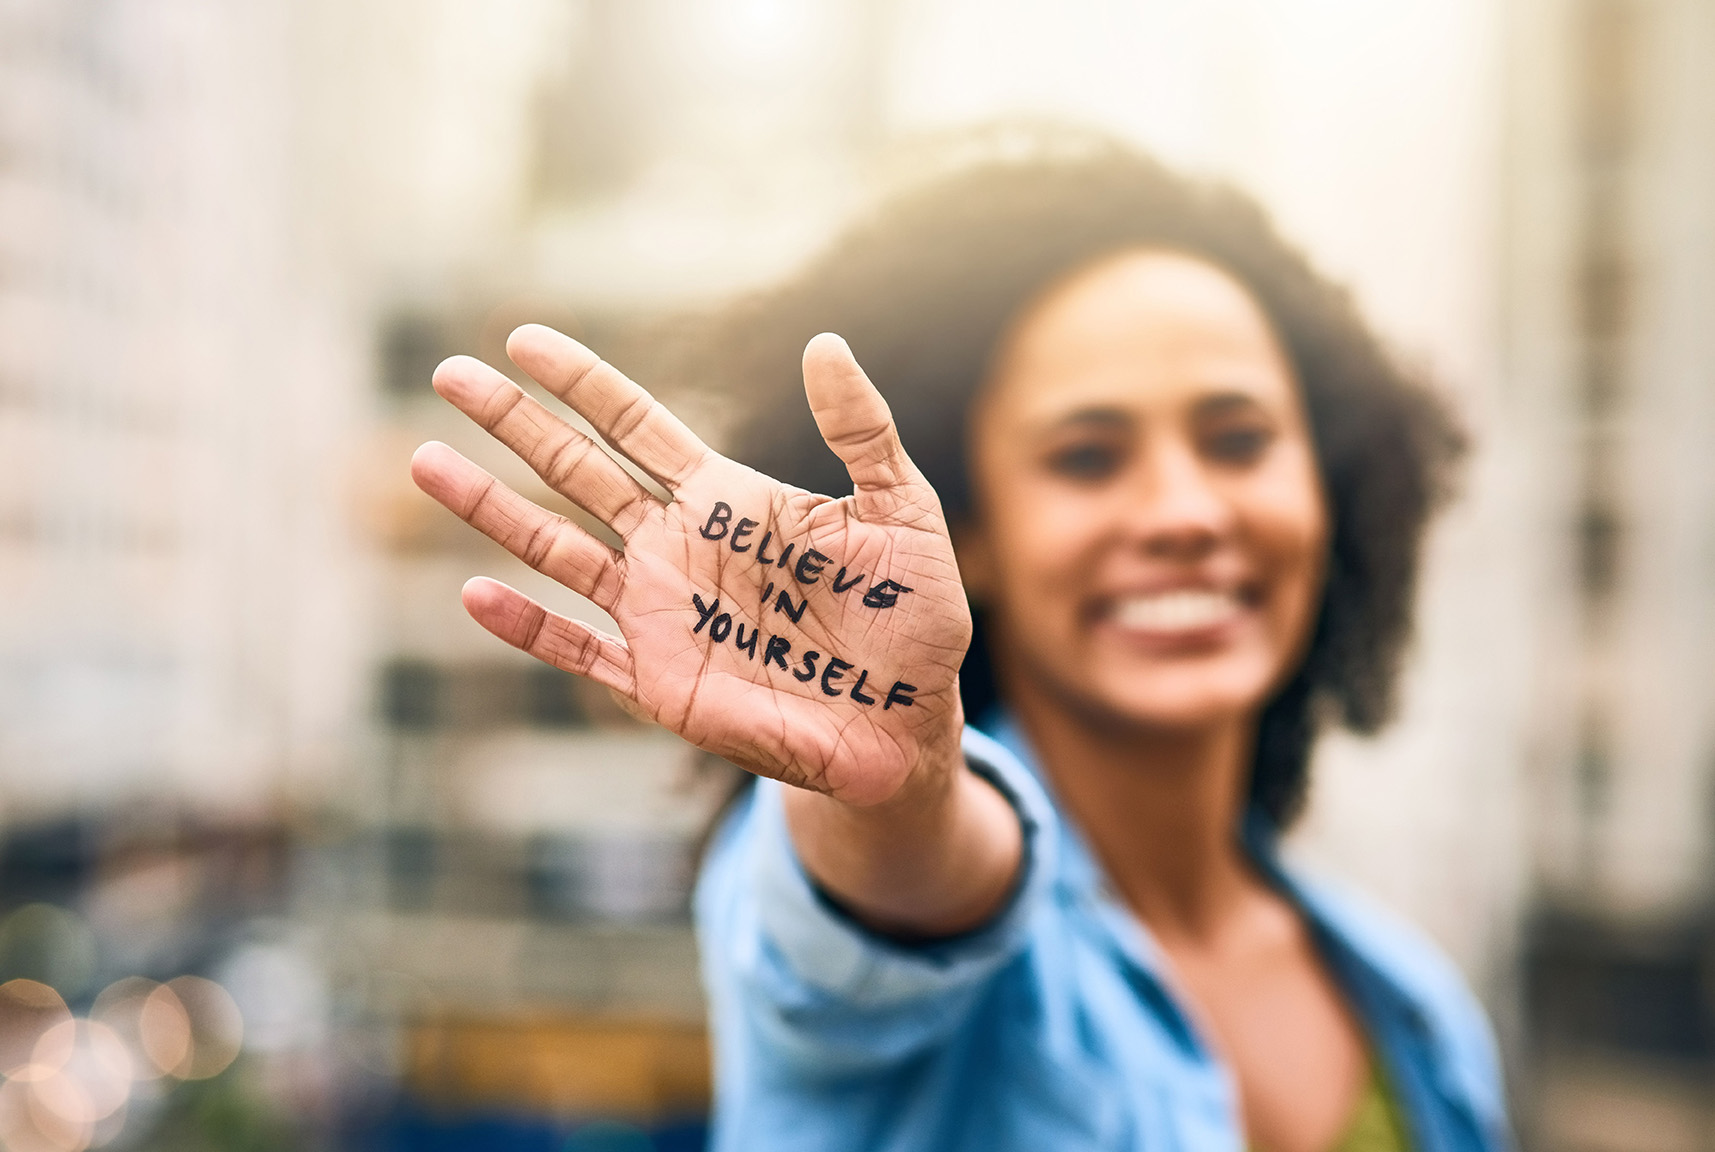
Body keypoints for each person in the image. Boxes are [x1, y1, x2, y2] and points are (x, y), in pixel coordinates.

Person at [409, 130, 1510, 1152]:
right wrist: (893, 794)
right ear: (966, 532)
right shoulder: (902, 872)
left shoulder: (1416, 1011)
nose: (1184, 510)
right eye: (1086, 456)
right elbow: (900, 907)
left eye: (1235, 438)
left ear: (1327, 489)